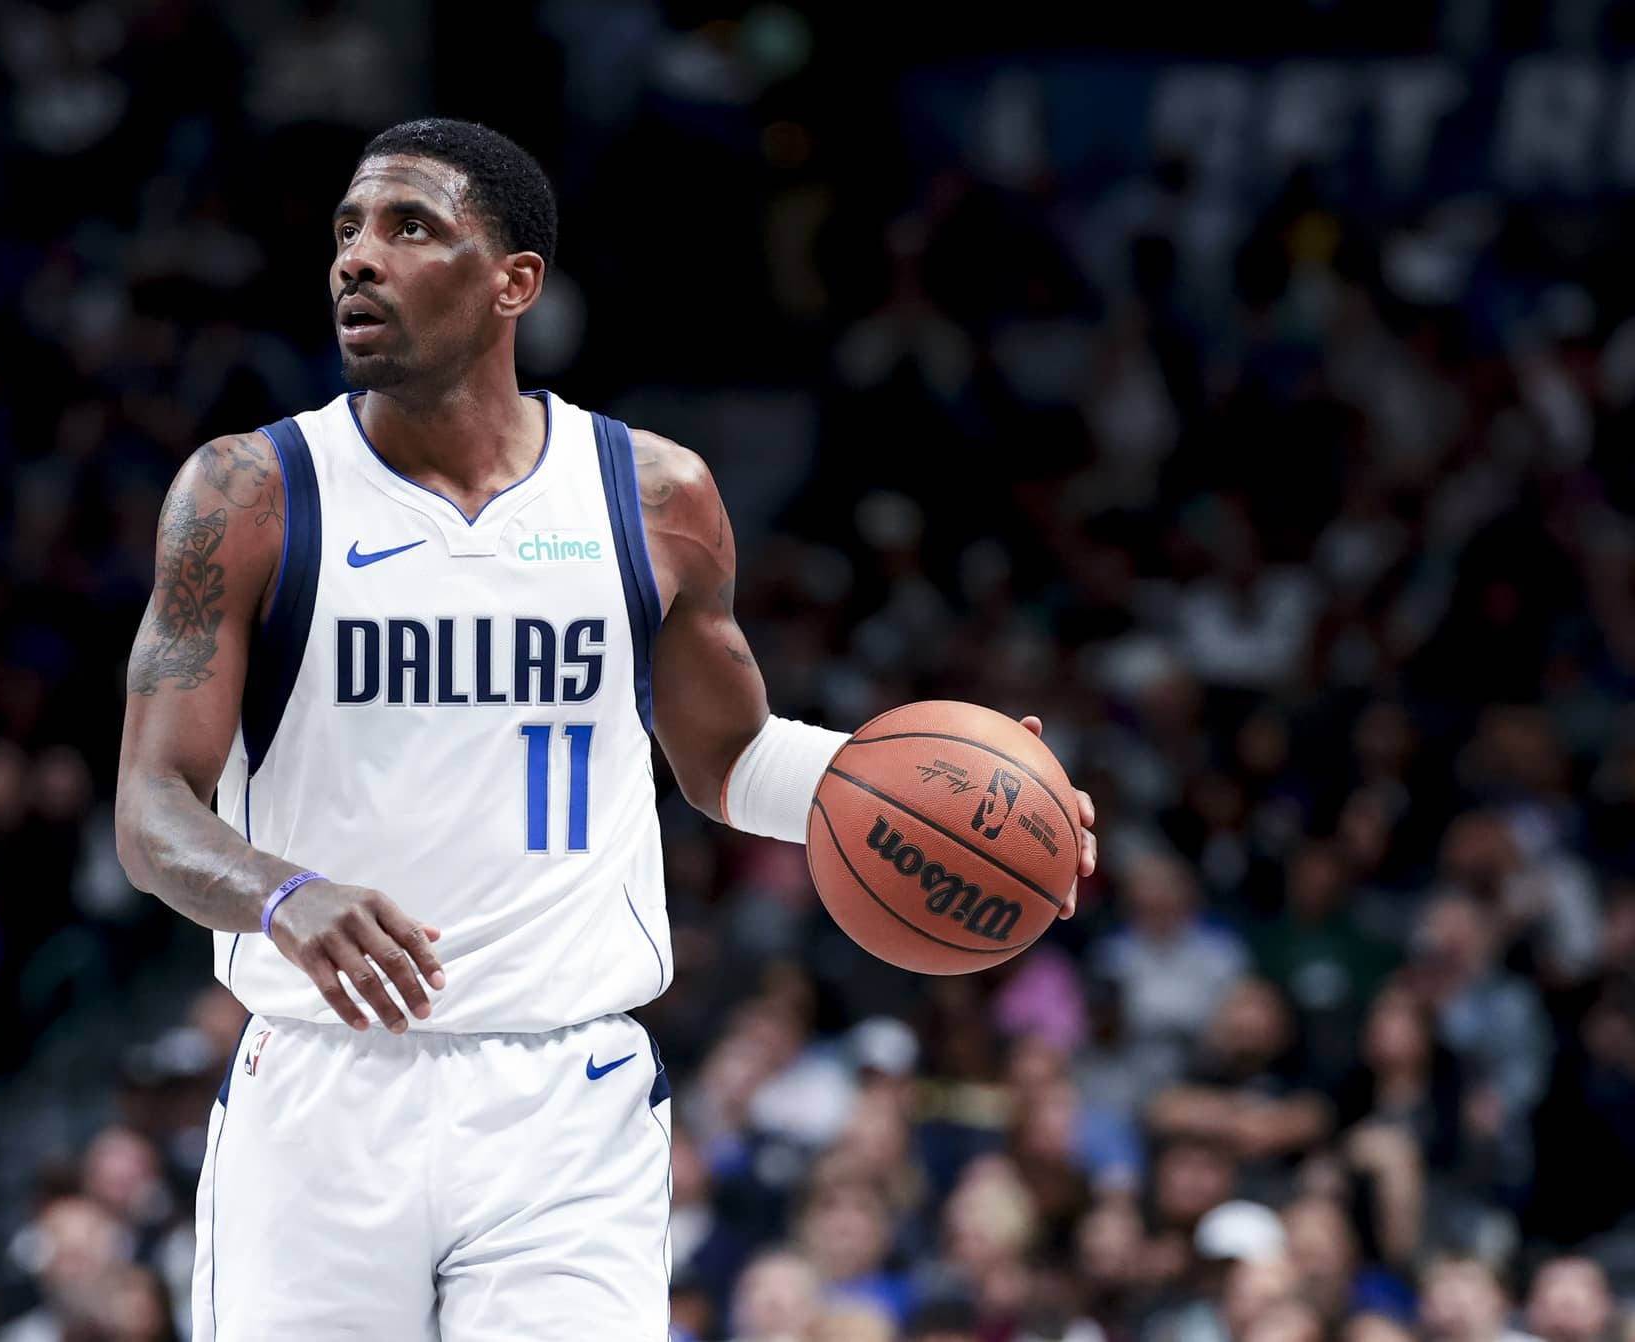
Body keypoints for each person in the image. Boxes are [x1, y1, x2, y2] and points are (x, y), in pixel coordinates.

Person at [112, 117, 1100, 1339]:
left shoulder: (654, 495)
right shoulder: (247, 493)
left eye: (410, 227)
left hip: (564, 1100)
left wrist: (968, 797)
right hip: (321, 1089)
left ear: (514, 281)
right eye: (348, 231)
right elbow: (154, 811)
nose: (357, 259)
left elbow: (727, 758)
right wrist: (277, 891)